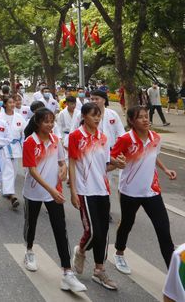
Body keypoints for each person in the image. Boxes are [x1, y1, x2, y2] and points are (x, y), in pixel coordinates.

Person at [21, 108, 87, 292]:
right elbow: (32, 171)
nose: (50, 125)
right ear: (37, 123)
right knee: (31, 224)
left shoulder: (55, 140)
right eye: (46, 121)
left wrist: (63, 168)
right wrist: (50, 190)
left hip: (54, 193)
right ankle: (29, 251)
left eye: (52, 121)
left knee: (60, 229)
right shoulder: (30, 142)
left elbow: (61, 160)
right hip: (35, 192)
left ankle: (67, 272)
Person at [110, 105, 177, 274]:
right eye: (140, 117)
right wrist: (117, 162)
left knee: (163, 229)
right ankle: (119, 252)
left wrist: (165, 170)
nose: (145, 119)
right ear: (132, 121)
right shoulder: (125, 139)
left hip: (151, 191)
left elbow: (153, 155)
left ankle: (173, 275)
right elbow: (111, 158)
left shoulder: (155, 137)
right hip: (129, 191)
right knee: (127, 223)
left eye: (146, 116)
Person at [68, 103, 124, 290]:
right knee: (93, 232)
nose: (97, 118)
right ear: (84, 116)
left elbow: (105, 164)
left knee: (104, 232)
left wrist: (117, 164)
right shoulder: (76, 136)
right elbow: (72, 164)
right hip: (85, 190)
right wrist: (73, 191)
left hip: (102, 189)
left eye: (99, 115)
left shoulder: (103, 137)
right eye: (93, 115)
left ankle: (99, 270)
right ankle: (81, 250)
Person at [0, 95, 26, 209]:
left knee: (14, 170)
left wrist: (24, 144)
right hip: (3, 147)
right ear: (5, 104)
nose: (12, 104)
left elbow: (25, 132)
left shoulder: (19, 117)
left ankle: (6, 190)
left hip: (16, 147)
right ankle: (11, 195)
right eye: (10, 103)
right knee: (7, 170)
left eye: (13, 102)